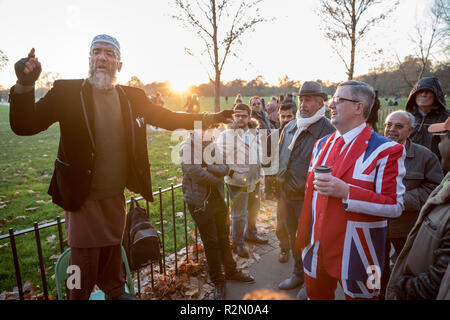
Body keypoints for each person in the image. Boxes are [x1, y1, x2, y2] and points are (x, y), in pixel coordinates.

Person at [9, 34, 233, 300]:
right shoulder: (67, 92)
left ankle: (116, 291)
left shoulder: (132, 97)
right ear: (89, 59)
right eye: (96, 52)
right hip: (82, 202)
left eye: (109, 53)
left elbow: (167, 118)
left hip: (115, 201)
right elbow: (25, 125)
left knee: (113, 269)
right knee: (79, 276)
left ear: (119, 64)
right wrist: (24, 85)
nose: (102, 57)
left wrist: (208, 118)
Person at [295, 80, 406, 300]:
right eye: (332, 100)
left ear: (359, 107)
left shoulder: (387, 150)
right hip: (315, 248)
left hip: (360, 253)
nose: (331, 106)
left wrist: (347, 192)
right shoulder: (321, 144)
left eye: (338, 100)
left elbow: (395, 205)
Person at [180, 129, 254, 300]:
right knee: (211, 242)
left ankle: (231, 271)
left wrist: (210, 167)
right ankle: (218, 280)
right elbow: (197, 174)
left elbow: (225, 167)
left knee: (223, 237)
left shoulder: (213, 145)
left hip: (218, 199)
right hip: (200, 202)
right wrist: (217, 175)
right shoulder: (187, 147)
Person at [277, 81, 335, 297]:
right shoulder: (291, 126)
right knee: (293, 236)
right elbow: (282, 158)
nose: (303, 104)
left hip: (311, 199)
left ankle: (311, 282)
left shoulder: (329, 131)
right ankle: (298, 274)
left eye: (308, 99)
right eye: (301, 99)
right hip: (287, 195)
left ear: (321, 102)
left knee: (312, 242)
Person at [380, 111, 443, 298]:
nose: (391, 130)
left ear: (410, 131)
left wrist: (400, 200)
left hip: (407, 227)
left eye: (398, 126)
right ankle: (379, 294)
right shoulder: (372, 152)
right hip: (377, 225)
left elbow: (434, 188)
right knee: (376, 268)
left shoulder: (425, 157)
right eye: (388, 125)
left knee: (407, 267)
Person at [217, 103, 268, 259]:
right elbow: (219, 158)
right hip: (237, 181)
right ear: (232, 116)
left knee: (254, 208)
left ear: (249, 117)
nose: (240, 118)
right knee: (239, 214)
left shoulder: (254, 132)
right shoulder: (226, 135)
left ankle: (251, 234)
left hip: (255, 179)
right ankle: (238, 242)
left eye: (244, 115)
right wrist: (233, 173)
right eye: (237, 115)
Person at [274, 101, 297, 263]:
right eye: (283, 116)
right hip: (281, 187)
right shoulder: (275, 135)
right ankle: (284, 248)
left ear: (295, 116)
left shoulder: (302, 134)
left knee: (297, 222)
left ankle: (299, 252)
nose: (286, 119)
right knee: (281, 221)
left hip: (298, 186)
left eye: (289, 116)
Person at [405, 76, 450, 161]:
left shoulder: (447, 119)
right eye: (420, 91)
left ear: (436, 95)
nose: (423, 94)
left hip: (438, 169)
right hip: (408, 167)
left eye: (428, 91)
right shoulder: (406, 117)